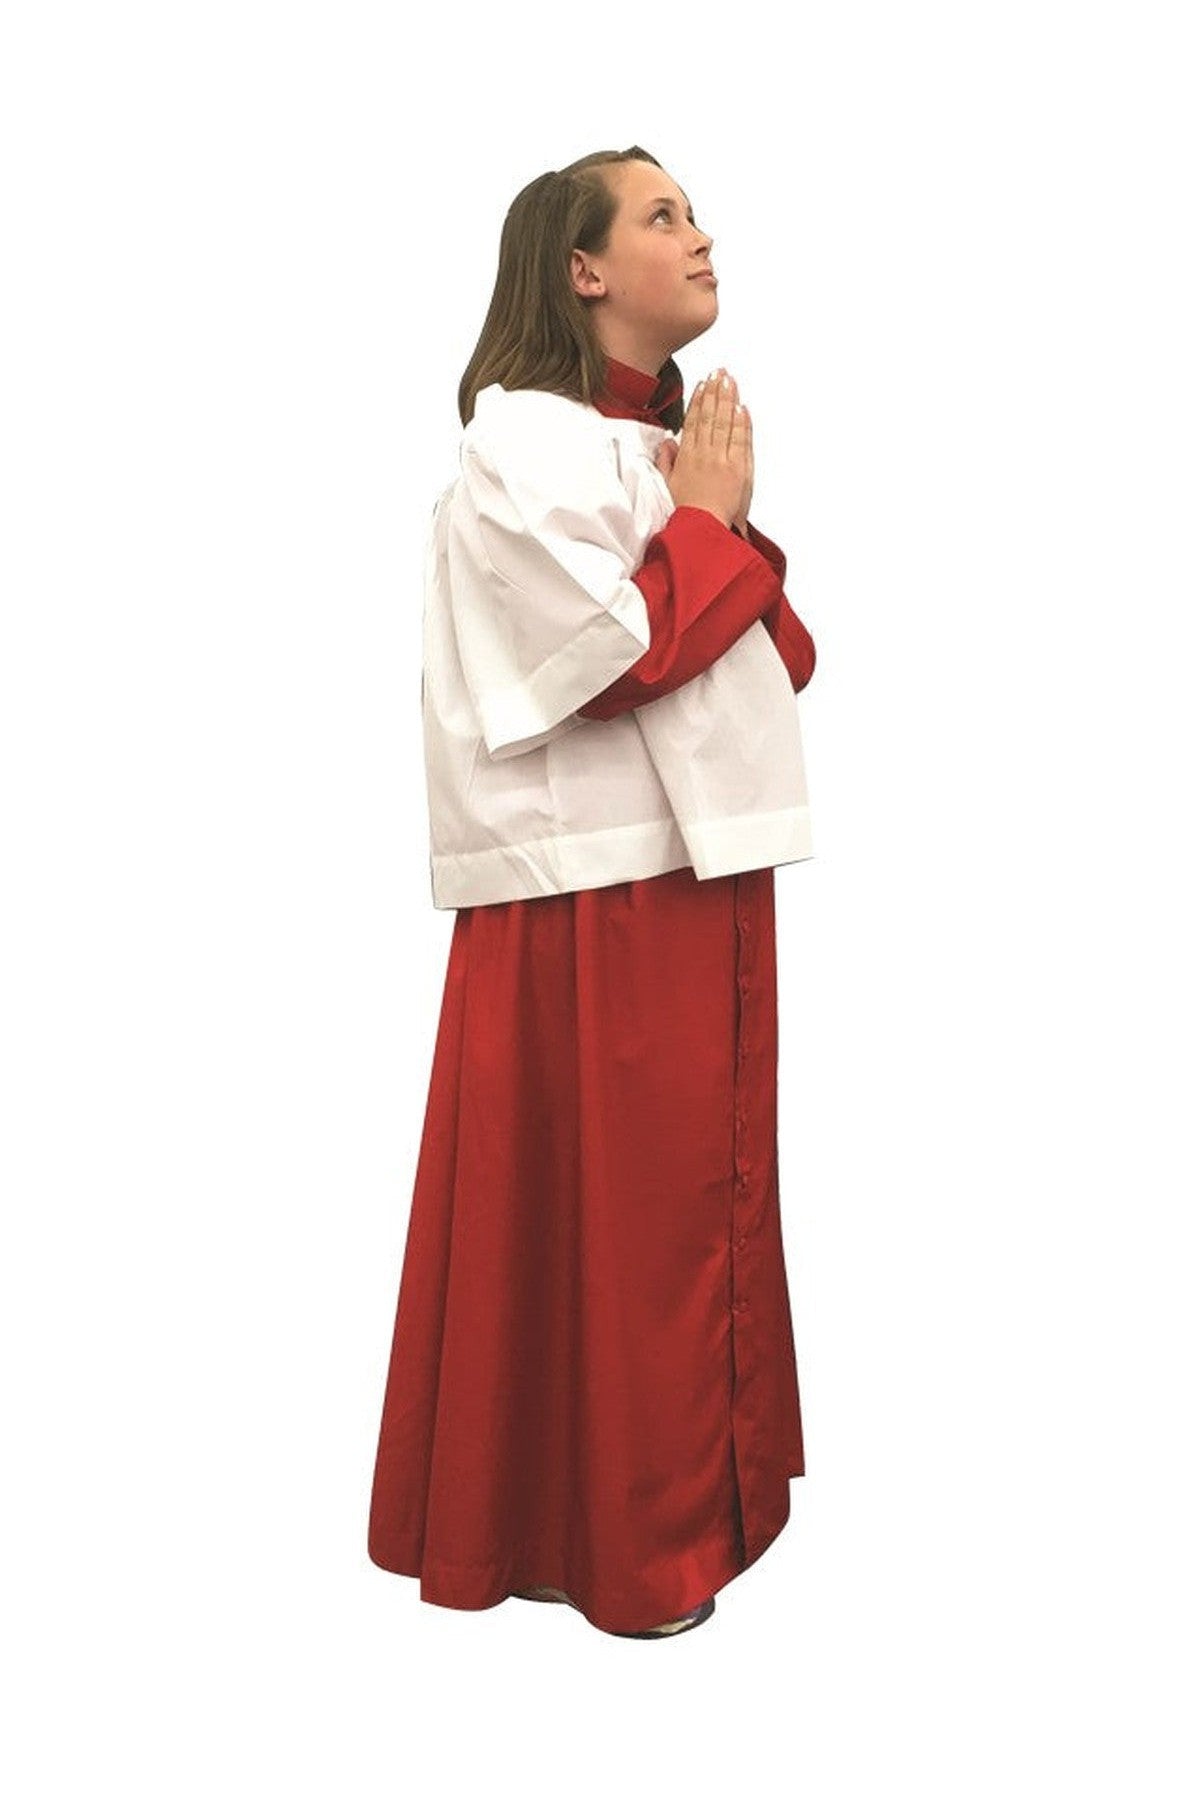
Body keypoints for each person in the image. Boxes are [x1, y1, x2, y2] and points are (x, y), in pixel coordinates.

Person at [367, 145, 817, 1640]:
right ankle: (625, 1550)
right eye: (662, 216)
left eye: (695, 212)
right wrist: (709, 524)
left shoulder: (655, 451)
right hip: (590, 895)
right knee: (625, 1227)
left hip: (690, 875)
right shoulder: (523, 446)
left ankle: (650, 1524)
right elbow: (611, 662)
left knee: (696, 1210)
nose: (701, 235)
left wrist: (713, 515)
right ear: (581, 269)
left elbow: (779, 657)